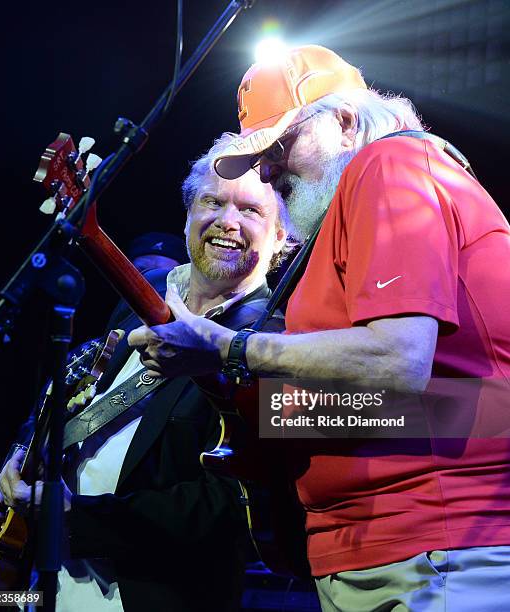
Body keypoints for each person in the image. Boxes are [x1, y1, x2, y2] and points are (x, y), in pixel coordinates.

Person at [127, 45, 510, 610]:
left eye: (280, 146)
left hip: (433, 544)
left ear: (347, 123)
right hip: (378, 552)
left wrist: (228, 348)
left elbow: (398, 363)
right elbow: (409, 407)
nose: (268, 169)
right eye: (259, 155)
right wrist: (231, 393)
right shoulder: (345, 220)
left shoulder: (389, 166)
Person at [0, 132, 291, 611]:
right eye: (212, 201)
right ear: (188, 215)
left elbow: (236, 506)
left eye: (250, 210)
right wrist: (8, 471)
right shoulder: (137, 305)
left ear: (282, 237)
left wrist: (79, 520)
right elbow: (71, 403)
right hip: (37, 588)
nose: (227, 221)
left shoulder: (276, 345)